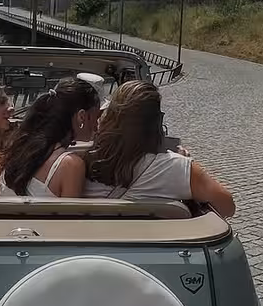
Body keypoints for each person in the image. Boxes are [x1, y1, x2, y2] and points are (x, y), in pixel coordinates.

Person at [82, 81, 236, 217]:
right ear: (157, 122)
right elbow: (227, 207)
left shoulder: (82, 160)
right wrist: (180, 161)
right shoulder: (178, 168)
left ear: (110, 118)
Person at [0, 77, 101, 198]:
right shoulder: (71, 165)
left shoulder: (18, 147)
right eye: (96, 117)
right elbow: (71, 215)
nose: (96, 126)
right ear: (82, 117)